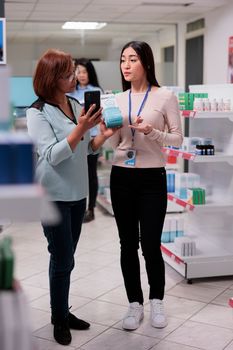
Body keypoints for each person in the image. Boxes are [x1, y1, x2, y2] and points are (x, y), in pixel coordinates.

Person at [26, 49, 117, 346]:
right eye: (68, 73)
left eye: (73, 72)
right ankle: (59, 318)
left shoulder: (76, 103)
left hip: (78, 195)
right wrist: (81, 128)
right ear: (52, 77)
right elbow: (52, 155)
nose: (74, 77)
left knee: (67, 258)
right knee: (62, 257)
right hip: (52, 196)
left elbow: (87, 149)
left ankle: (62, 311)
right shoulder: (37, 111)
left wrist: (103, 134)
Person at [108, 41, 183, 331]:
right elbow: (114, 145)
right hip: (121, 176)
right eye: (123, 60)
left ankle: (157, 300)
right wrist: (109, 133)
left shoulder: (165, 97)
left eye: (132, 59)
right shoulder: (116, 99)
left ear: (146, 63)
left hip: (152, 177)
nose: (126, 65)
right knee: (127, 243)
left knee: (150, 244)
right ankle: (134, 303)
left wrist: (152, 132)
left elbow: (177, 139)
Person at [69, 58, 103, 223]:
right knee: (76, 174)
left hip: (93, 137)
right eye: (78, 72)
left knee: (91, 174)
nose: (81, 75)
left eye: (84, 71)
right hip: (76, 138)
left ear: (90, 73)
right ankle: (78, 206)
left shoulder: (96, 91)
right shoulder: (69, 92)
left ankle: (91, 209)